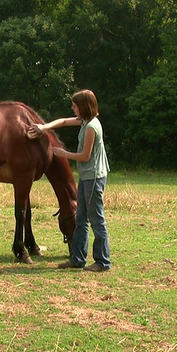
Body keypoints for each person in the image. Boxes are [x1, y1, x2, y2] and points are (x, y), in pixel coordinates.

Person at [27, 89, 111, 272]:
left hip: (94, 178)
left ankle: (103, 262)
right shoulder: (84, 121)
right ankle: (78, 258)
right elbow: (64, 121)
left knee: (96, 220)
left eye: (75, 105)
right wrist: (44, 127)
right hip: (87, 177)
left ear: (83, 106)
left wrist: (64, 154)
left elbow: (85, 156)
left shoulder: (91, 127)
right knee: (80, 218)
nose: (72, 107)